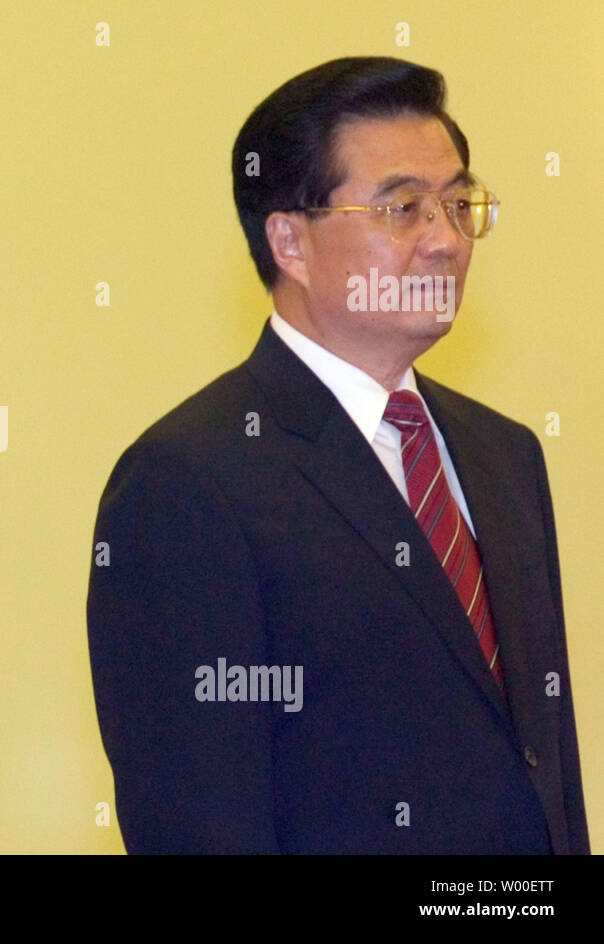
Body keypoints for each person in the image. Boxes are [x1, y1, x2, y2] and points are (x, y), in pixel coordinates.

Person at [87, 56, 588, 853]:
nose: (444, 241)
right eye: (401, 208)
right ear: (289, 239)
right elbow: (203, 820)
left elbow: (543, 773)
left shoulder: (505, 455)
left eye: (460, 203)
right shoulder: (190, 480)